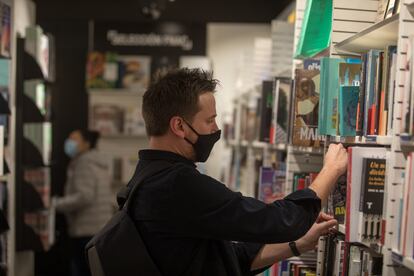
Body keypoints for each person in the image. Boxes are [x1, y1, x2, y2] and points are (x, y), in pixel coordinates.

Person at [129, 68, 347, 276]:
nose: (215, 129)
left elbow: (223, 260)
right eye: (209, 120)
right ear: (179, 126)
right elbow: (281, 221)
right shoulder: (177, 185)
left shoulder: (147, 176)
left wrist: (296, 244)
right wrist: (331, 170)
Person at [55, 129, 113, 276]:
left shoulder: (84, 163)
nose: (69, 142)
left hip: (85, 229)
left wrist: (56, 204)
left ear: (87, 144)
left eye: (74, 139)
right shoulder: (97, 162)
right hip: (98, 228)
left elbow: (85, 196)